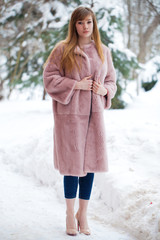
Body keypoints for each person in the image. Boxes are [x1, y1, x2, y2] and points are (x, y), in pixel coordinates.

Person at [43, 6, 117, 236]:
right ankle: (69, 212)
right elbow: (49, 79)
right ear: (73, 25)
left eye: (89, 22)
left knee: (90, 165)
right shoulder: (62, 50)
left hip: (94, 119)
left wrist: (105, 89)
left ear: (94, 24)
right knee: (72, 167)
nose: (85, 27)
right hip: (70, 119)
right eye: (80, 23)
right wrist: (76, 84)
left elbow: (112, 81)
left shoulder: (104, 51)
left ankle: (82, 214)